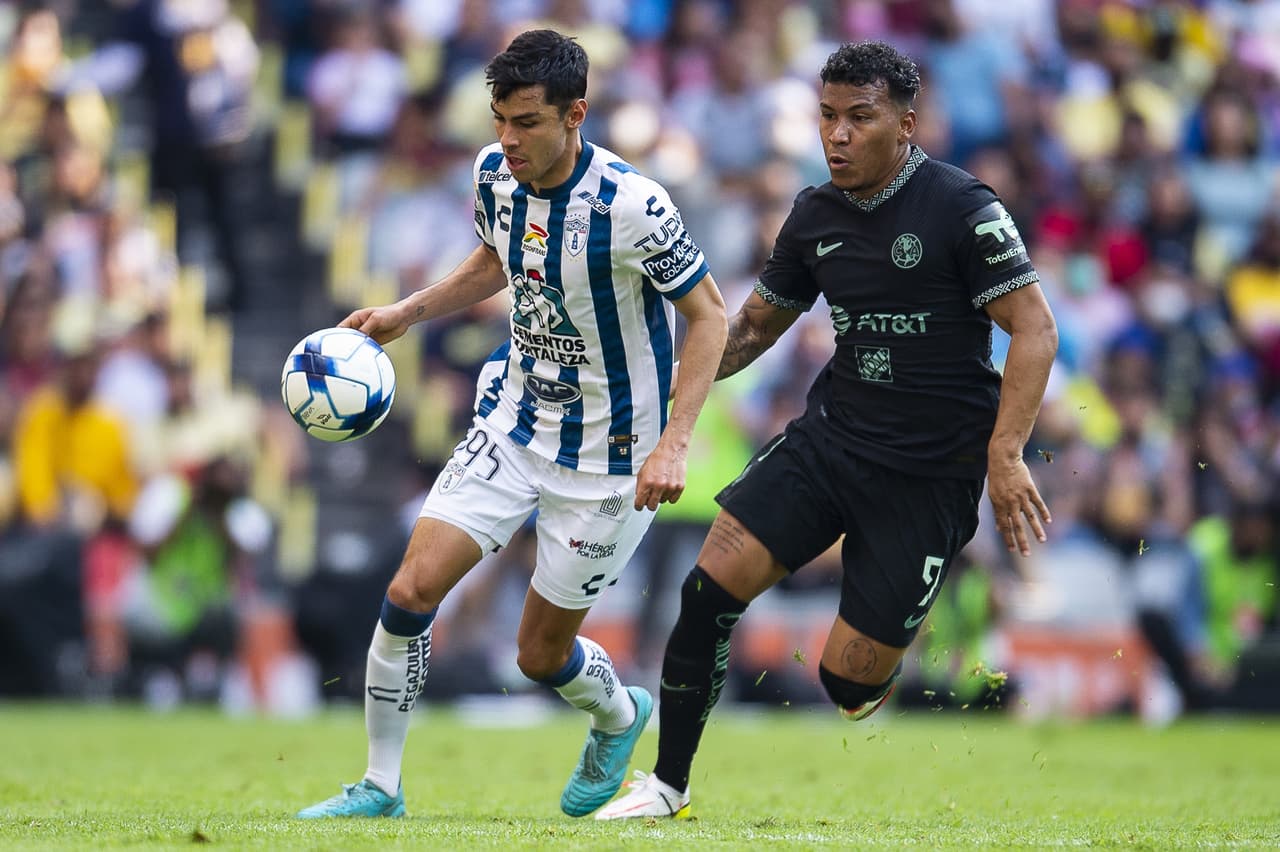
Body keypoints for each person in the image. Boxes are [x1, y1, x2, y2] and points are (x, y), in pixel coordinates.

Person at [596, 40, 1058, 820]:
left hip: (928, 474)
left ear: (905, 125)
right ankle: (667, 785)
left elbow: (1035, 328)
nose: (837, 135)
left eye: (859, 118)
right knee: (707, 590)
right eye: (827, 117)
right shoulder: (813, 215)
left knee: (846, 682)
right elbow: (749, 331)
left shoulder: (963, 208)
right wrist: (660, 396)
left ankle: (884, 623)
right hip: (832, 442)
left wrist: (1005, 453)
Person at [296, 29, 727, 819]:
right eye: (499, 118)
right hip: (516, 421)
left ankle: (618, 716)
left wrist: (676, 440)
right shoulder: (496, 174)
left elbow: (709, 316)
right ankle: (379, 786)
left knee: (539, 655)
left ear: (575, 115)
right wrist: (406, 312)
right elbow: (497, 257)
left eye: (526, 121)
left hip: (611, 457)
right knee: (410, 589)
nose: (507, 138)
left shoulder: (633, 204)